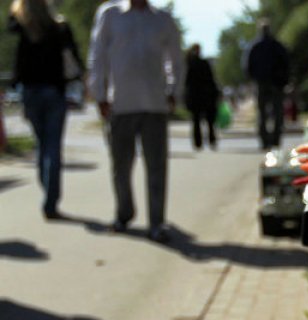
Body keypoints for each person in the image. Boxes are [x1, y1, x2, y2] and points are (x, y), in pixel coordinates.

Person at [87, 0, 184, 243]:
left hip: (154, 104)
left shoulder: (162, 19)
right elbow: (97, 55)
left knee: (157, 167)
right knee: (121, 166)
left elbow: (176, 58)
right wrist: (99, 93)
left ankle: (156, 223)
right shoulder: (110, 15)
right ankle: (124, 213)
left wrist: (174, 91)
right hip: (120, 104)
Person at [7, 0, 84, 220]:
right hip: (54, 92)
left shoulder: (22, 27)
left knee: (42, 144)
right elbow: (74, 58)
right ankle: (51, 200)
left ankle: (49, 192)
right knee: (53, 146)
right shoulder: (59, 27)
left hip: (31, 93)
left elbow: (10, 23)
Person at [244, 20, 289, 150]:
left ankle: (265, 140)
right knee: (277, 113)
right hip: (275, 83)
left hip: (262, 83)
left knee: (262, 113)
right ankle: (275, 139)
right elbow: (286, 63)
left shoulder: (254, 46)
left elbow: (247, 66)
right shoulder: (277, 46)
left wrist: (253, 79)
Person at [184, 43, 220, 150]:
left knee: (200, 121)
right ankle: (207, 140)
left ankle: (201, 142)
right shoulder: (196, 63)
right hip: (203, 96)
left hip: (200, 96)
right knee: (204, 121)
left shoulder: (190, 64)